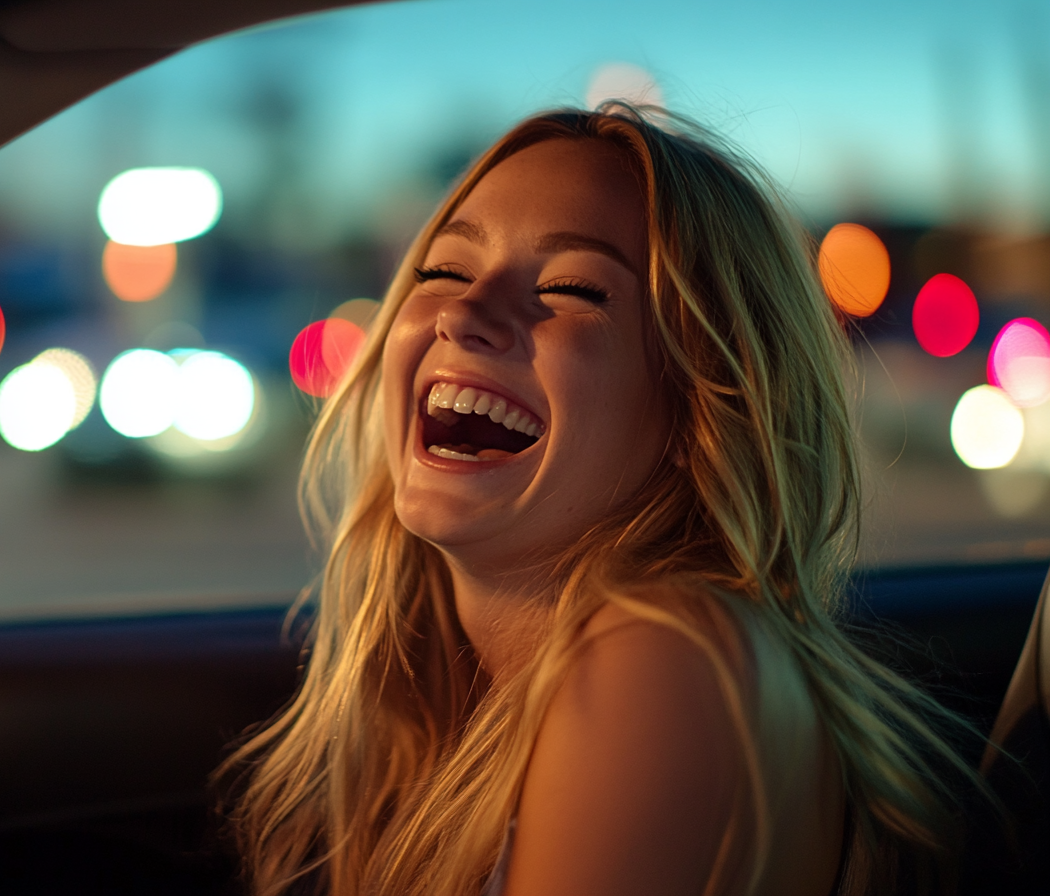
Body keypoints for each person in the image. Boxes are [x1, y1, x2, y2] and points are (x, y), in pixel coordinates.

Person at [219, 106, 987, 896]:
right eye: (443, 271)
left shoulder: (664, 661)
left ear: (704, 410)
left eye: (573, 288)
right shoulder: (460, 707)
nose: (462, 313)